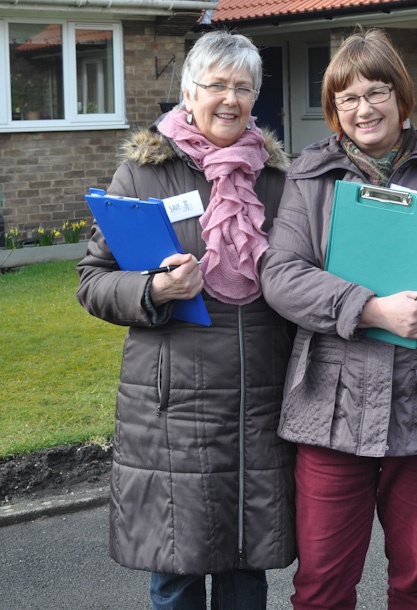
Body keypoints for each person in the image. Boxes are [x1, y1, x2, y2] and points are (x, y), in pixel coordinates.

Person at [260, 27, 417, 610]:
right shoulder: (310, 176)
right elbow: (280, 277)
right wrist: (370, 308)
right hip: (331, 403)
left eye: (376, 92)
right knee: (321, 586)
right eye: (346, 98)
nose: (363, 109)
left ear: (402, 98)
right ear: (332, 110)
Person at [76, 30, 296, 610]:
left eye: (243, 87)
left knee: (248, 568)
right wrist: (156, 287)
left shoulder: (277, 180)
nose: (230, 99)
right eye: (217, 85)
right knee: (176, 567)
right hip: (174, 407)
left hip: (259, 400)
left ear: (255, 97)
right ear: (188, 92)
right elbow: (93, 282)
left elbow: (303, 277)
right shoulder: (143, 176)